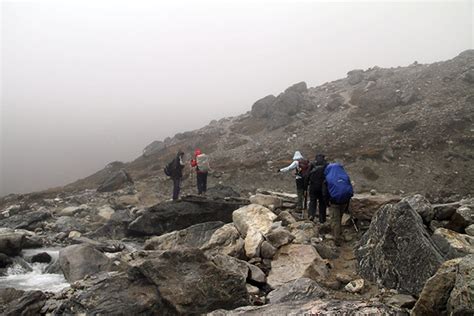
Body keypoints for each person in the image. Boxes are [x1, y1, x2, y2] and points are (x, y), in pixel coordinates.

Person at [324, 162, 353, 242]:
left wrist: (327, 203)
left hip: (334, 202)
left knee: (335, 220)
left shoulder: (328, 178)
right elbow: (350, 187)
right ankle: (340, 233)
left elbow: (325, 193)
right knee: (340, 217)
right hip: (345, 201)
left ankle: (336, 238)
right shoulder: (345, 176)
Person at [307, 154, 328, 223]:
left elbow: (307, 175)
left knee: (313, 201)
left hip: (313, 187)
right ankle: (322, 219)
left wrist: (305, 186)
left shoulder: (312, 164)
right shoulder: (326, 165)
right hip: (323, 187)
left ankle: (311, 215)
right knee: (322, 203)